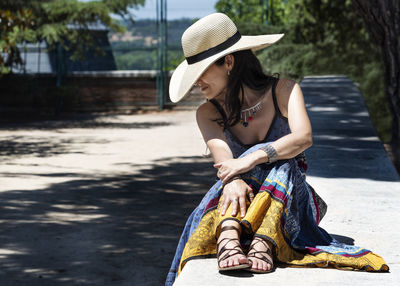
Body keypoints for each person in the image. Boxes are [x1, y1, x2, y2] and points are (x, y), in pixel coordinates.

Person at [165, 13, 388, 286]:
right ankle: (230, 235)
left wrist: (250, 159)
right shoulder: (207, 113)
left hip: (290, 201)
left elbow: (303, 138)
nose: (197, 82)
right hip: (239, 203)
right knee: (237, 174)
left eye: (201, 72)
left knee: (284, 162)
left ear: (229, 62)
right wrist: (234, 177)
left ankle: (263, 239)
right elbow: (225, 163)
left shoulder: (283, 90)